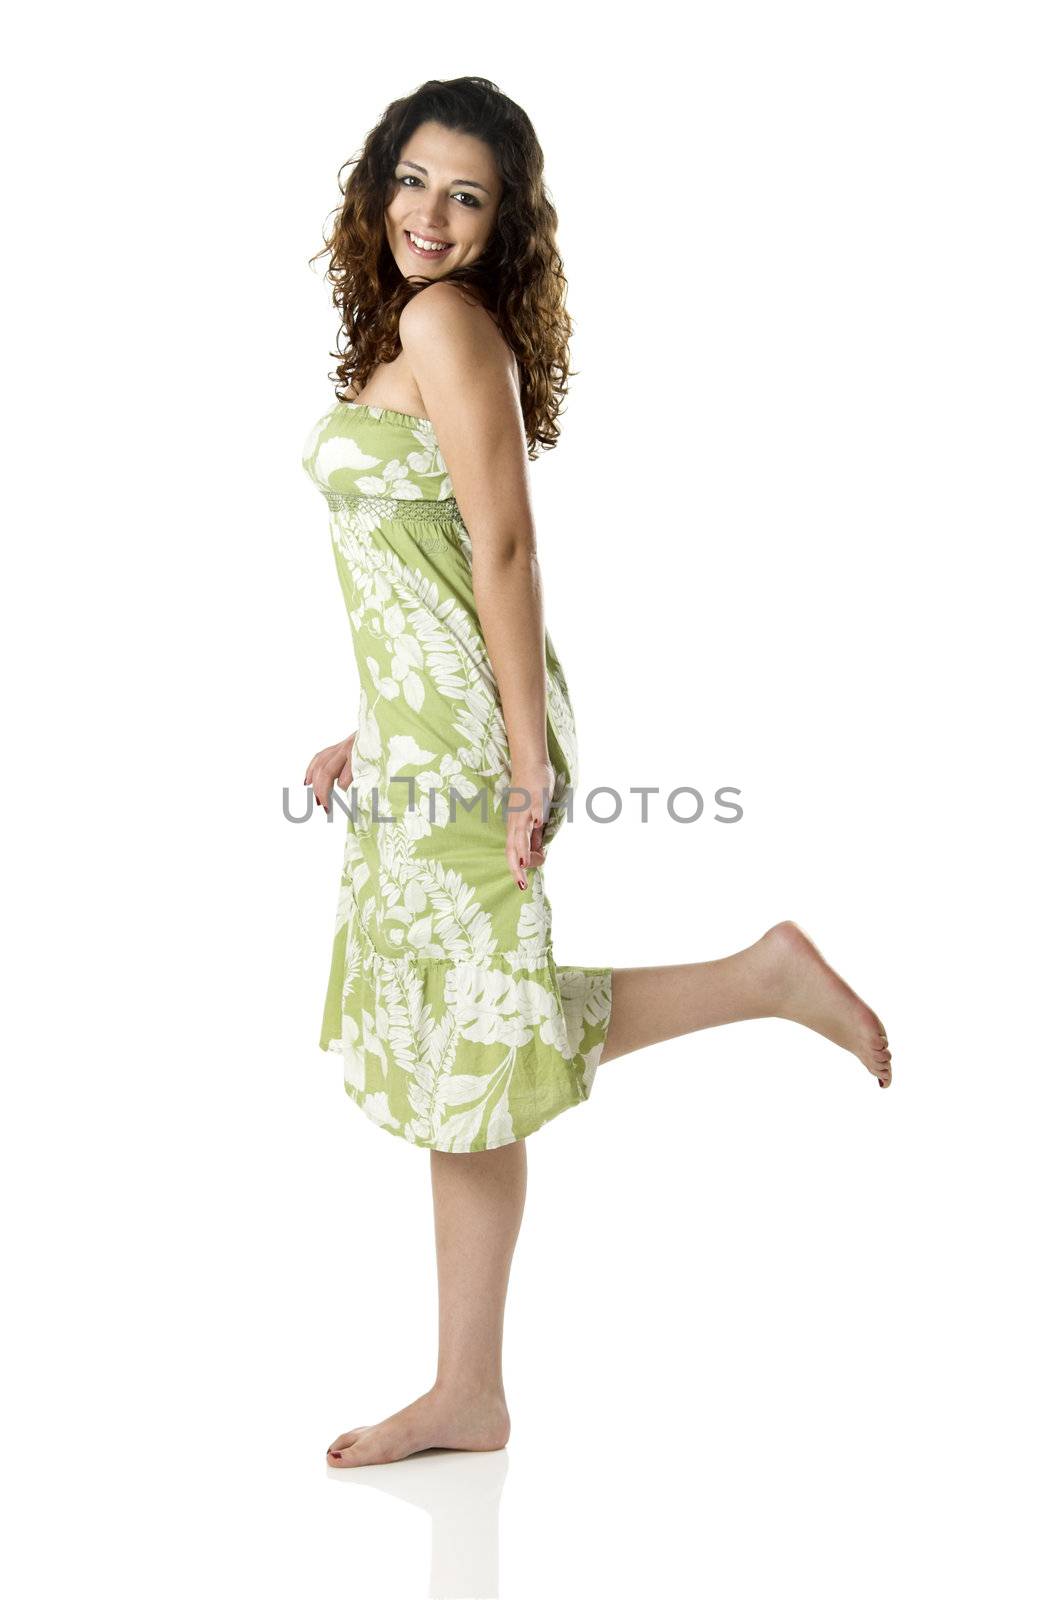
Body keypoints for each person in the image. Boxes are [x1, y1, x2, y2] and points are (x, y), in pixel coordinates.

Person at [302, 78, 892, 1470]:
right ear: (375, 183)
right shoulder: (406, 327)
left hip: (470, 736)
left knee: (474, 1038)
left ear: (502, 223)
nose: (430, 217)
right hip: (420, 731)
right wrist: (364, 728)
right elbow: (421, 569)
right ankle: (468, 1389)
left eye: (466, 196)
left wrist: (519, 755)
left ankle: (760, 984)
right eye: (413, 182)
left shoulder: (448, 328)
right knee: (466, 1043)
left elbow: (504, 552)